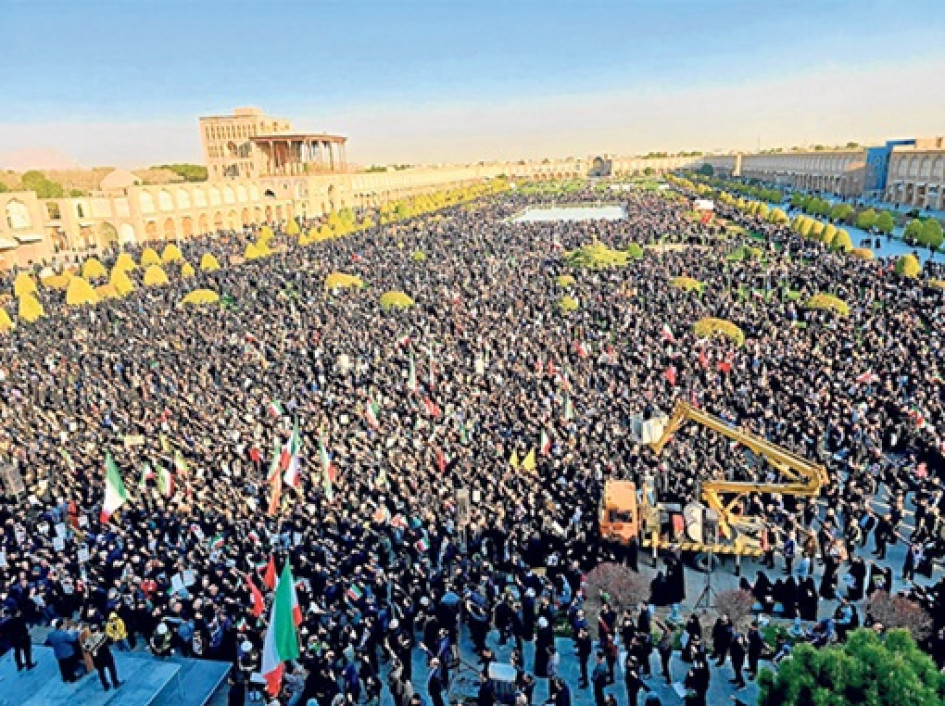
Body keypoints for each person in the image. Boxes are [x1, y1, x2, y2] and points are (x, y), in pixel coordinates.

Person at [82, 622, 121, 691]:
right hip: (107, 657)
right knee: (112, 670)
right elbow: (111, 642)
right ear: (98, 629)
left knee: (101, 673)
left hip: (97, 660)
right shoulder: (103, 636)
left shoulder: (87, 640)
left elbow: (85, 650)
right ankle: (115, 683)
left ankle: (105, 686)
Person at [0, 607, 35, 672]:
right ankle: (28, 664)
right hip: (23, 638)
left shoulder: (7, 622)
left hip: (14, 640)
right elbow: (23, 629)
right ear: (17, 613)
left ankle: (19, 665)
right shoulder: (19, 620)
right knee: (26, 651)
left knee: (17, 652)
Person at [46, 619, 81, 683]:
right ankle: (72, 678)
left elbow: (48, 642)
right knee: (70, 666)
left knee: (62, 666)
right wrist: (76, 631)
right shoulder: (64, 634)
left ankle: (65, 678)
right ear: (61, 626)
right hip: (68, 653)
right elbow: (72, 639)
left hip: (58, 654)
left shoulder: (50, 634)